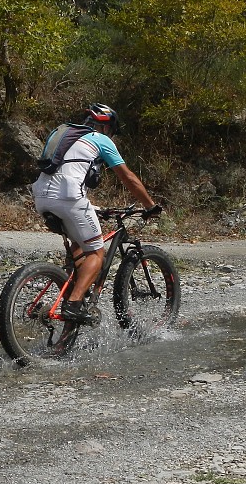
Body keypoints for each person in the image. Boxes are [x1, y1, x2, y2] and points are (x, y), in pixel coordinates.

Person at [31, 103, 161, 324]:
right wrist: (150, 205)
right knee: (96, 254)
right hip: (69, 197)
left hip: (41, 196)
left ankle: (73, 293)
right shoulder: (101, 140)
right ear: (107, 126)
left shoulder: (67, 137)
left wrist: (92, 208)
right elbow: (128, 178)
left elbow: (63, 174)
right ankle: (72, 305)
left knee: (79, 244)